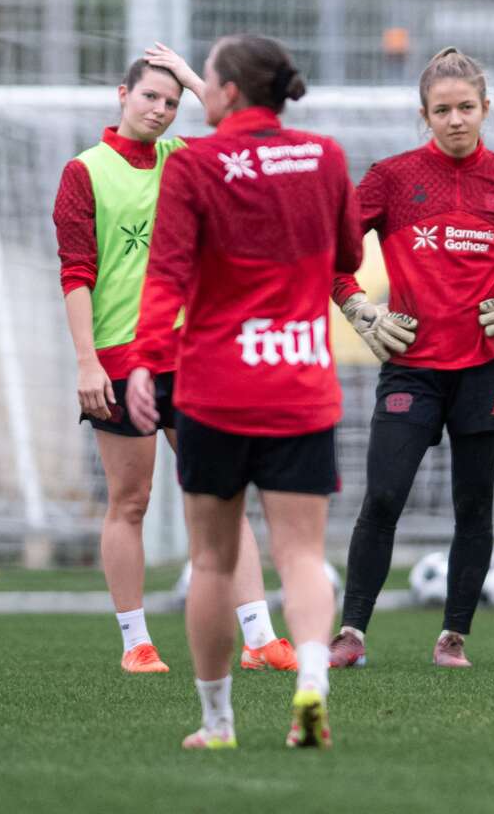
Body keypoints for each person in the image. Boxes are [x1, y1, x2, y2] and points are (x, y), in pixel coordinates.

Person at [124, 34, 361, 751]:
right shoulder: (325, 155)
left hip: (216, 390)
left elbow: (164, 276)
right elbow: (350, 256)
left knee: (213, 561)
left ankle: (218, 722)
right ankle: (312, 676)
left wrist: (142, 362)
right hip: (299, 384)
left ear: (223, 93)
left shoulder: (194, 164)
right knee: (302, 554)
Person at [326, 48, 494, 669]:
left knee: (474, 507)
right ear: (424, 115)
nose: (456, 119)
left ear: (486, 109)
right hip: (410, 366)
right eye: (442, 110)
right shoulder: (390, 177)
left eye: (467, 107)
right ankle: (351, 634)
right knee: (382, 498)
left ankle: (453, 638)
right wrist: (360, 310)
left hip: (482, 368)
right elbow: (331, 253)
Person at [54, 44, 296, 675]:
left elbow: (245, 139)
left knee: (222, 492)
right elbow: (77, 274)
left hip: (192, 356)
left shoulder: (189, 159)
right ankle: (136, 642)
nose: (161, 109)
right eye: (150, 96)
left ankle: (261, 639)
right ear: (122, 94)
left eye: (173, 99)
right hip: (118, 360)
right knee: (130, 500)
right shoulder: (85, 171)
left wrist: (195, 78)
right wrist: (87, 363)